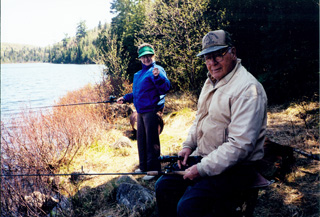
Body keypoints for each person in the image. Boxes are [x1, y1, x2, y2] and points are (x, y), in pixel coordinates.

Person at [155, 30, 268, 216]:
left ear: (233, 52)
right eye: (208, 57)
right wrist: (188, 146)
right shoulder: (211, 81)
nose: (212, 62)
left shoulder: (248, 89)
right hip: (206, 157)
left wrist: (201, 169)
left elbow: (240, 146)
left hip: (237, 168)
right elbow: (200, 118)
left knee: (188, 207)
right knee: (164, 186)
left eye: (219, 55)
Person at [117, 43, 170, 181]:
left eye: (149, 56)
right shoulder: (138, 74)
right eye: (143, 57)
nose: (146, 59)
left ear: (153, 56)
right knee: (141, 140)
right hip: (140, 112)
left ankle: (153, 170)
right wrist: (126, 98)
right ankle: (144, 166)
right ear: (140, 58)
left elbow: (165, 88)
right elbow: (137, 92)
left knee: (152, 141)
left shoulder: (156, 70)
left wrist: (158, 77)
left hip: (152, 111)